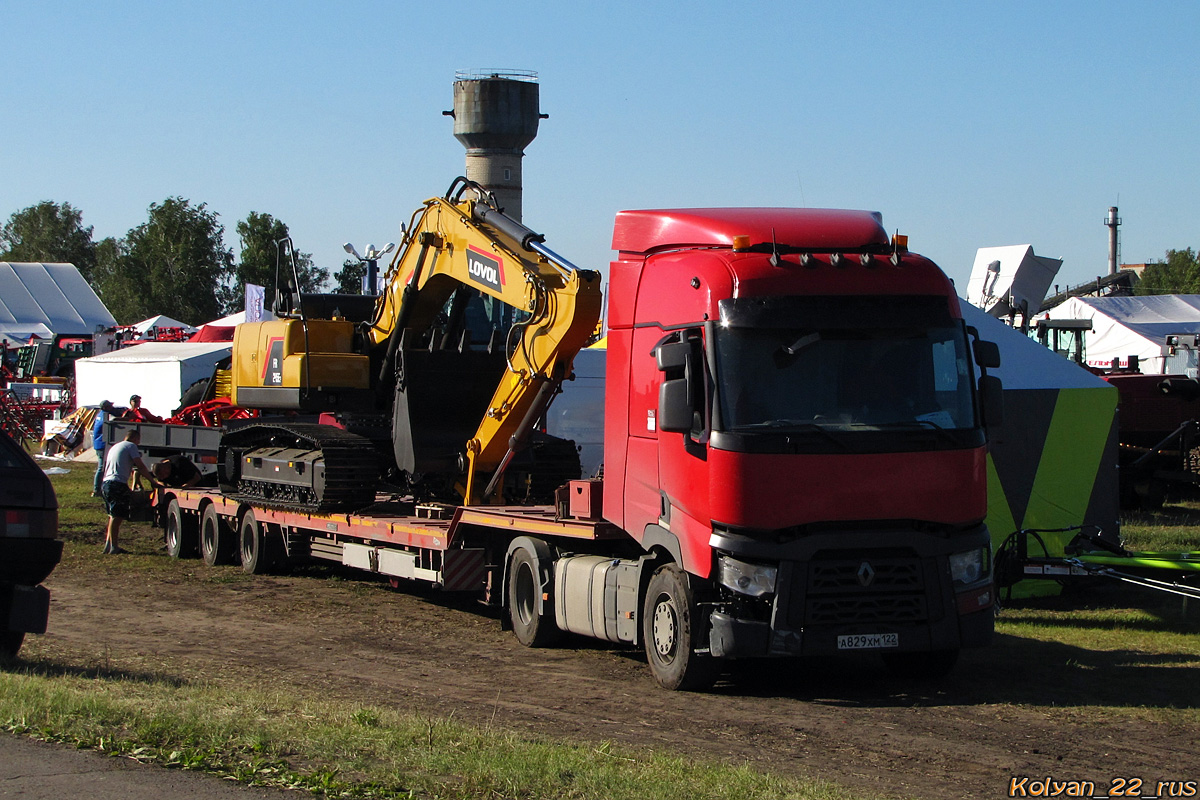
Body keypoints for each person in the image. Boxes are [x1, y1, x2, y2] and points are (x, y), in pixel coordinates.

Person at [100, 430, 160, 554]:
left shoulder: (115, 446)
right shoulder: (131, 446)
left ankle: (108, 545)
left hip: (106, 483)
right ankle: (114, 547)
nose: (138, 443)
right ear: (135, 438)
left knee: (112, 515)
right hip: (117, 484)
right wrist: (152, 480)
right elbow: (140, 465)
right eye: (138, 440)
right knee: (118, 516)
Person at [91, 400, 117, 497]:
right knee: (101, 467)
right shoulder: (105, 416)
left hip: (98, 443)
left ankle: (98, 488)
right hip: (102, 444)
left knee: (102, 467)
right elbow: (114, 420)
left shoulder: (99, 414)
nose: (112, 407)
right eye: (110, 406)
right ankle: (97, 489)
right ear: (105, 407)